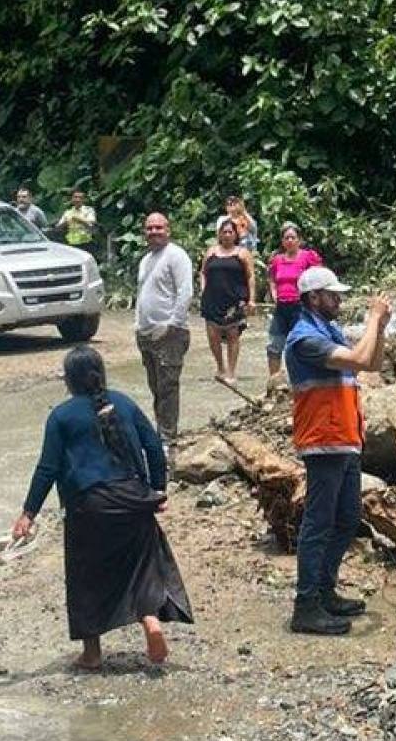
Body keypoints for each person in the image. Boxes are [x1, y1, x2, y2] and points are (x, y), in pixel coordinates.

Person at [13, 346, 193, 670]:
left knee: (86, 576)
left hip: (89, 506)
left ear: (69, 381)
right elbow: (154, 446)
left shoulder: (61, 416)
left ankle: (92, 653)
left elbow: (47, 469)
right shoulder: (124, 403)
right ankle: (150, 619)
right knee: (141, 564)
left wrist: (28, 513)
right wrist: (158, 491)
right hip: (133, 500)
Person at [284, 267, 390, 635]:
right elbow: (359, 360)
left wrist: (381, 328)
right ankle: (306, 604)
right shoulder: (305, 339)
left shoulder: (328, 331)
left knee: (347, 518)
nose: (338, 300)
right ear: (313, 298)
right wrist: (372, 318)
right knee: (318, 523)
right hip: (323, 441)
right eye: (332, 295)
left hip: (344, 437)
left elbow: (371, 364)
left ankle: (324, 591)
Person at [134, 213, 194, 439]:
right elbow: (142, 293)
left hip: (170, 333)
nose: (154, 232)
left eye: (158, 228)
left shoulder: (176, 256)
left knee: (168, 387)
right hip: (146, 332)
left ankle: (167, 436)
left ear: (168, 230)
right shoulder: (146, 260)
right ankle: (160, 431)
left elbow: (185, 292)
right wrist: (138, 325)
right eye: (150, 228)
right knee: (155, 387)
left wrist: (173, 324)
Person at [262, 223, 322, 391]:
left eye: (292, 237)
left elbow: (319, 276)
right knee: (274, 346)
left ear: (299, 240)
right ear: (282, 241)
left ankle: (304, 380)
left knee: (302, 344)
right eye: (286, 238)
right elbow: (271, 278)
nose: (289, 240)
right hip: (282, 307)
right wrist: (274, 293)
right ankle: (274, 383)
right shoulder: (277, 260)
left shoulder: (308, 257)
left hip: (301, 307)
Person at [198, 219, 255, 383]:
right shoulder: (211, 252)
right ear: (219, 234)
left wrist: (251, 299)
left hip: (234, 300)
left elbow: (250, 276)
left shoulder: (242, 253)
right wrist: (203, 289)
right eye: (225, 232)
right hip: (212, 298)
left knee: (233, 335)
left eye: (231, 232)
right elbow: (203, 272)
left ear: (236, 235)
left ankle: (231, 371)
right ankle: (220, 367)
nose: (227, 235)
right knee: (212, 336)